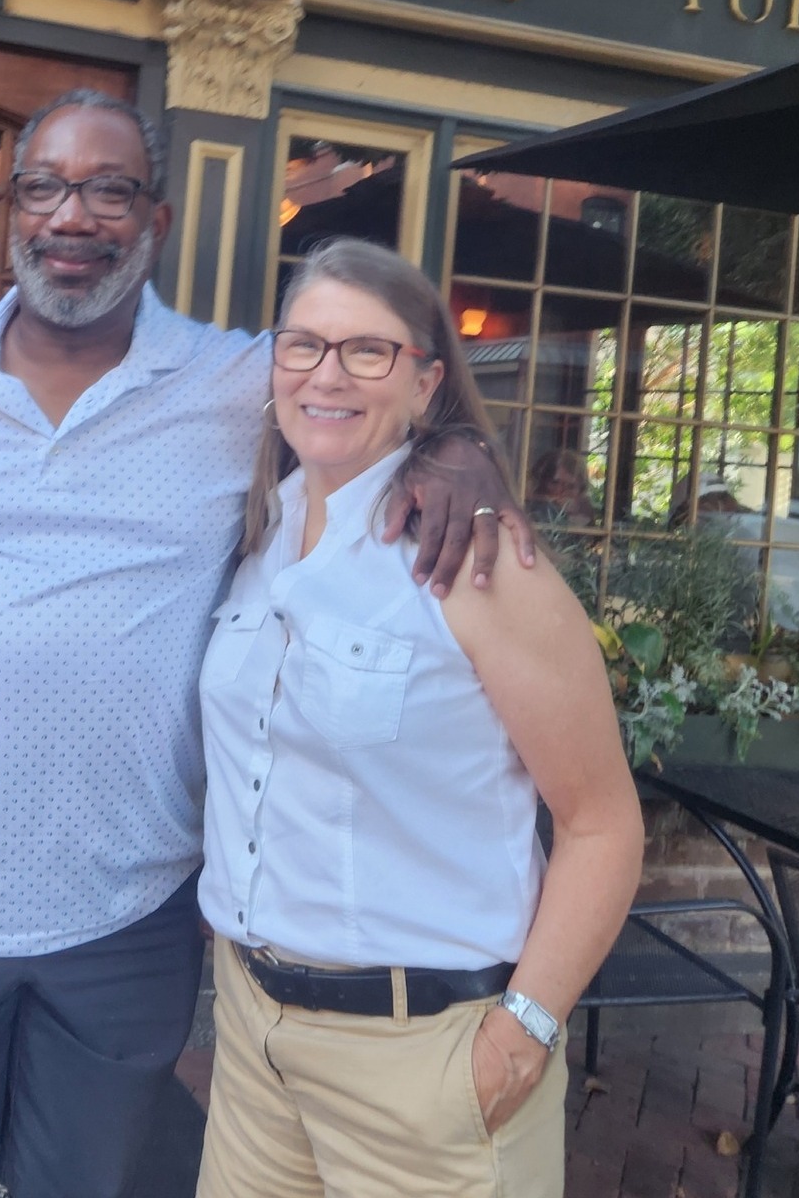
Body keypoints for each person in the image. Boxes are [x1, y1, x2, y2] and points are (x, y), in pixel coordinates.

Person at [0, 91, 535, 1198]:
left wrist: (455, 454)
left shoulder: (236, 379)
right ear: (10, 208)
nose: (74, 215)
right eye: (45, 186)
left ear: (154, 221)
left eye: (108, 189)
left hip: (129, 912)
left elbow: (355, 388)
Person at [197, 238, 644, 1198]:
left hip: (427, 1057)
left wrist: (523, 1034)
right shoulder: (258, 539)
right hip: (253, 1038)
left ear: (426, 380)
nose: (328, 373)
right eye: (304, 345)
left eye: (369, 351)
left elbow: (603, 823)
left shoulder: (480, 565)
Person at [528, 446, 596, 525]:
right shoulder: (529, 507)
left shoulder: (584, 510)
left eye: (570, 487)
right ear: (542, 482)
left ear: (580, 490)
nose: (560, 491)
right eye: (555, 483)